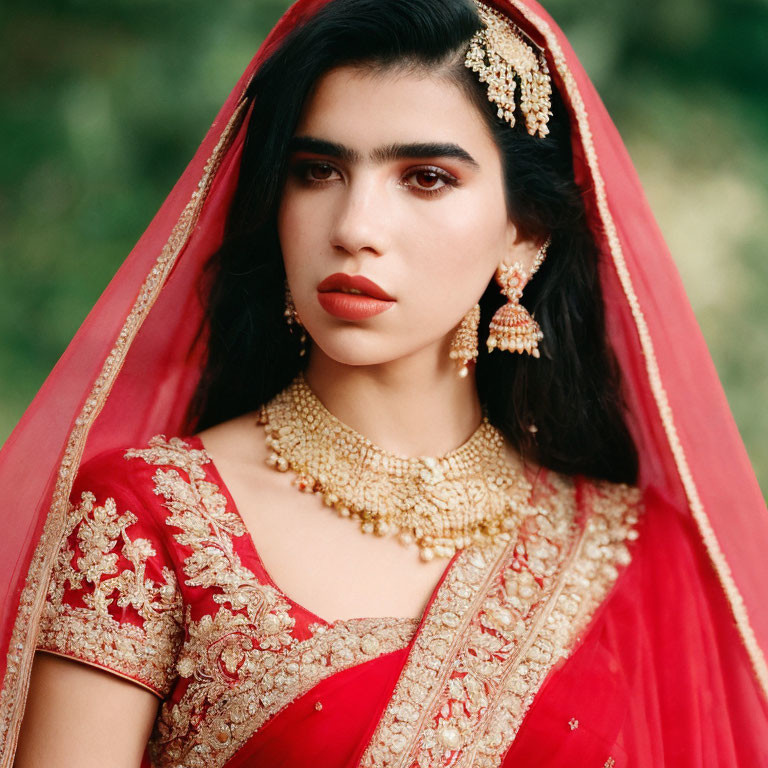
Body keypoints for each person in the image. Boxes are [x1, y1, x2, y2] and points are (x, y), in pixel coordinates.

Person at [2, 0, 767, 765]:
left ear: (525, 231)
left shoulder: (631, 553)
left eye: (425, 178)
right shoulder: (147, 521)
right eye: (318, 171)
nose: (355, 224)